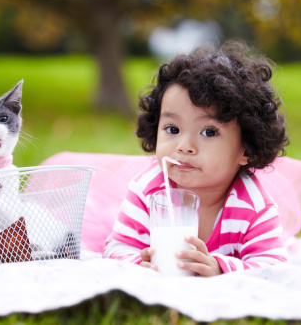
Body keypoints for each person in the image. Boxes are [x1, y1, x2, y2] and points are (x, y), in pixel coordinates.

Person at [103, 41, 289, 276]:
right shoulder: (147, 191)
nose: (184, 146)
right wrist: (138, 264)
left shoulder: (253, 207)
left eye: (209, 132)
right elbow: (116, 249)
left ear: (246, 148)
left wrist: (220, 268)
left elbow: (273, 265)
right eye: (172, 129)